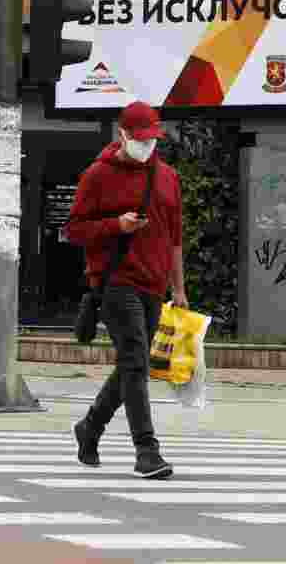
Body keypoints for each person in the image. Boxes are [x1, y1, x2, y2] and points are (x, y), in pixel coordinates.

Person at [66, 101, 188, 479]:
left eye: (152, 140)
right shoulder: (97, 175)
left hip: (154, 285)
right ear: (122, 135)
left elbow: (175, 239)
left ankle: (90, 427)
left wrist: (179, 289)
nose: (146, 146)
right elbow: (74, 231)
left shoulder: (167, 177)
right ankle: (146, 450)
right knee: (135, 361)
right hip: (114, 281)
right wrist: (115, 226)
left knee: (132, 365)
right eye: (139, 139)